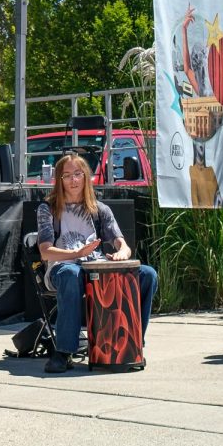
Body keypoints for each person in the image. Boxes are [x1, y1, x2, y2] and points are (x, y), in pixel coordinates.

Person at [36, 154, 158, 374]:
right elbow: (45, 252)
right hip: (63, 267)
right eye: (67, 176)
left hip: (96, 267)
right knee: (71, 275)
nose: (73, 180)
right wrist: (77, 252)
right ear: (59, 180)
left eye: (77, 174)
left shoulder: (99, 209)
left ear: (86, 177)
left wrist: (122, 252)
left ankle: (133, 343)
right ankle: (64, 352)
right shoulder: (48, 208)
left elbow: (122, 243)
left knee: (147, 275)